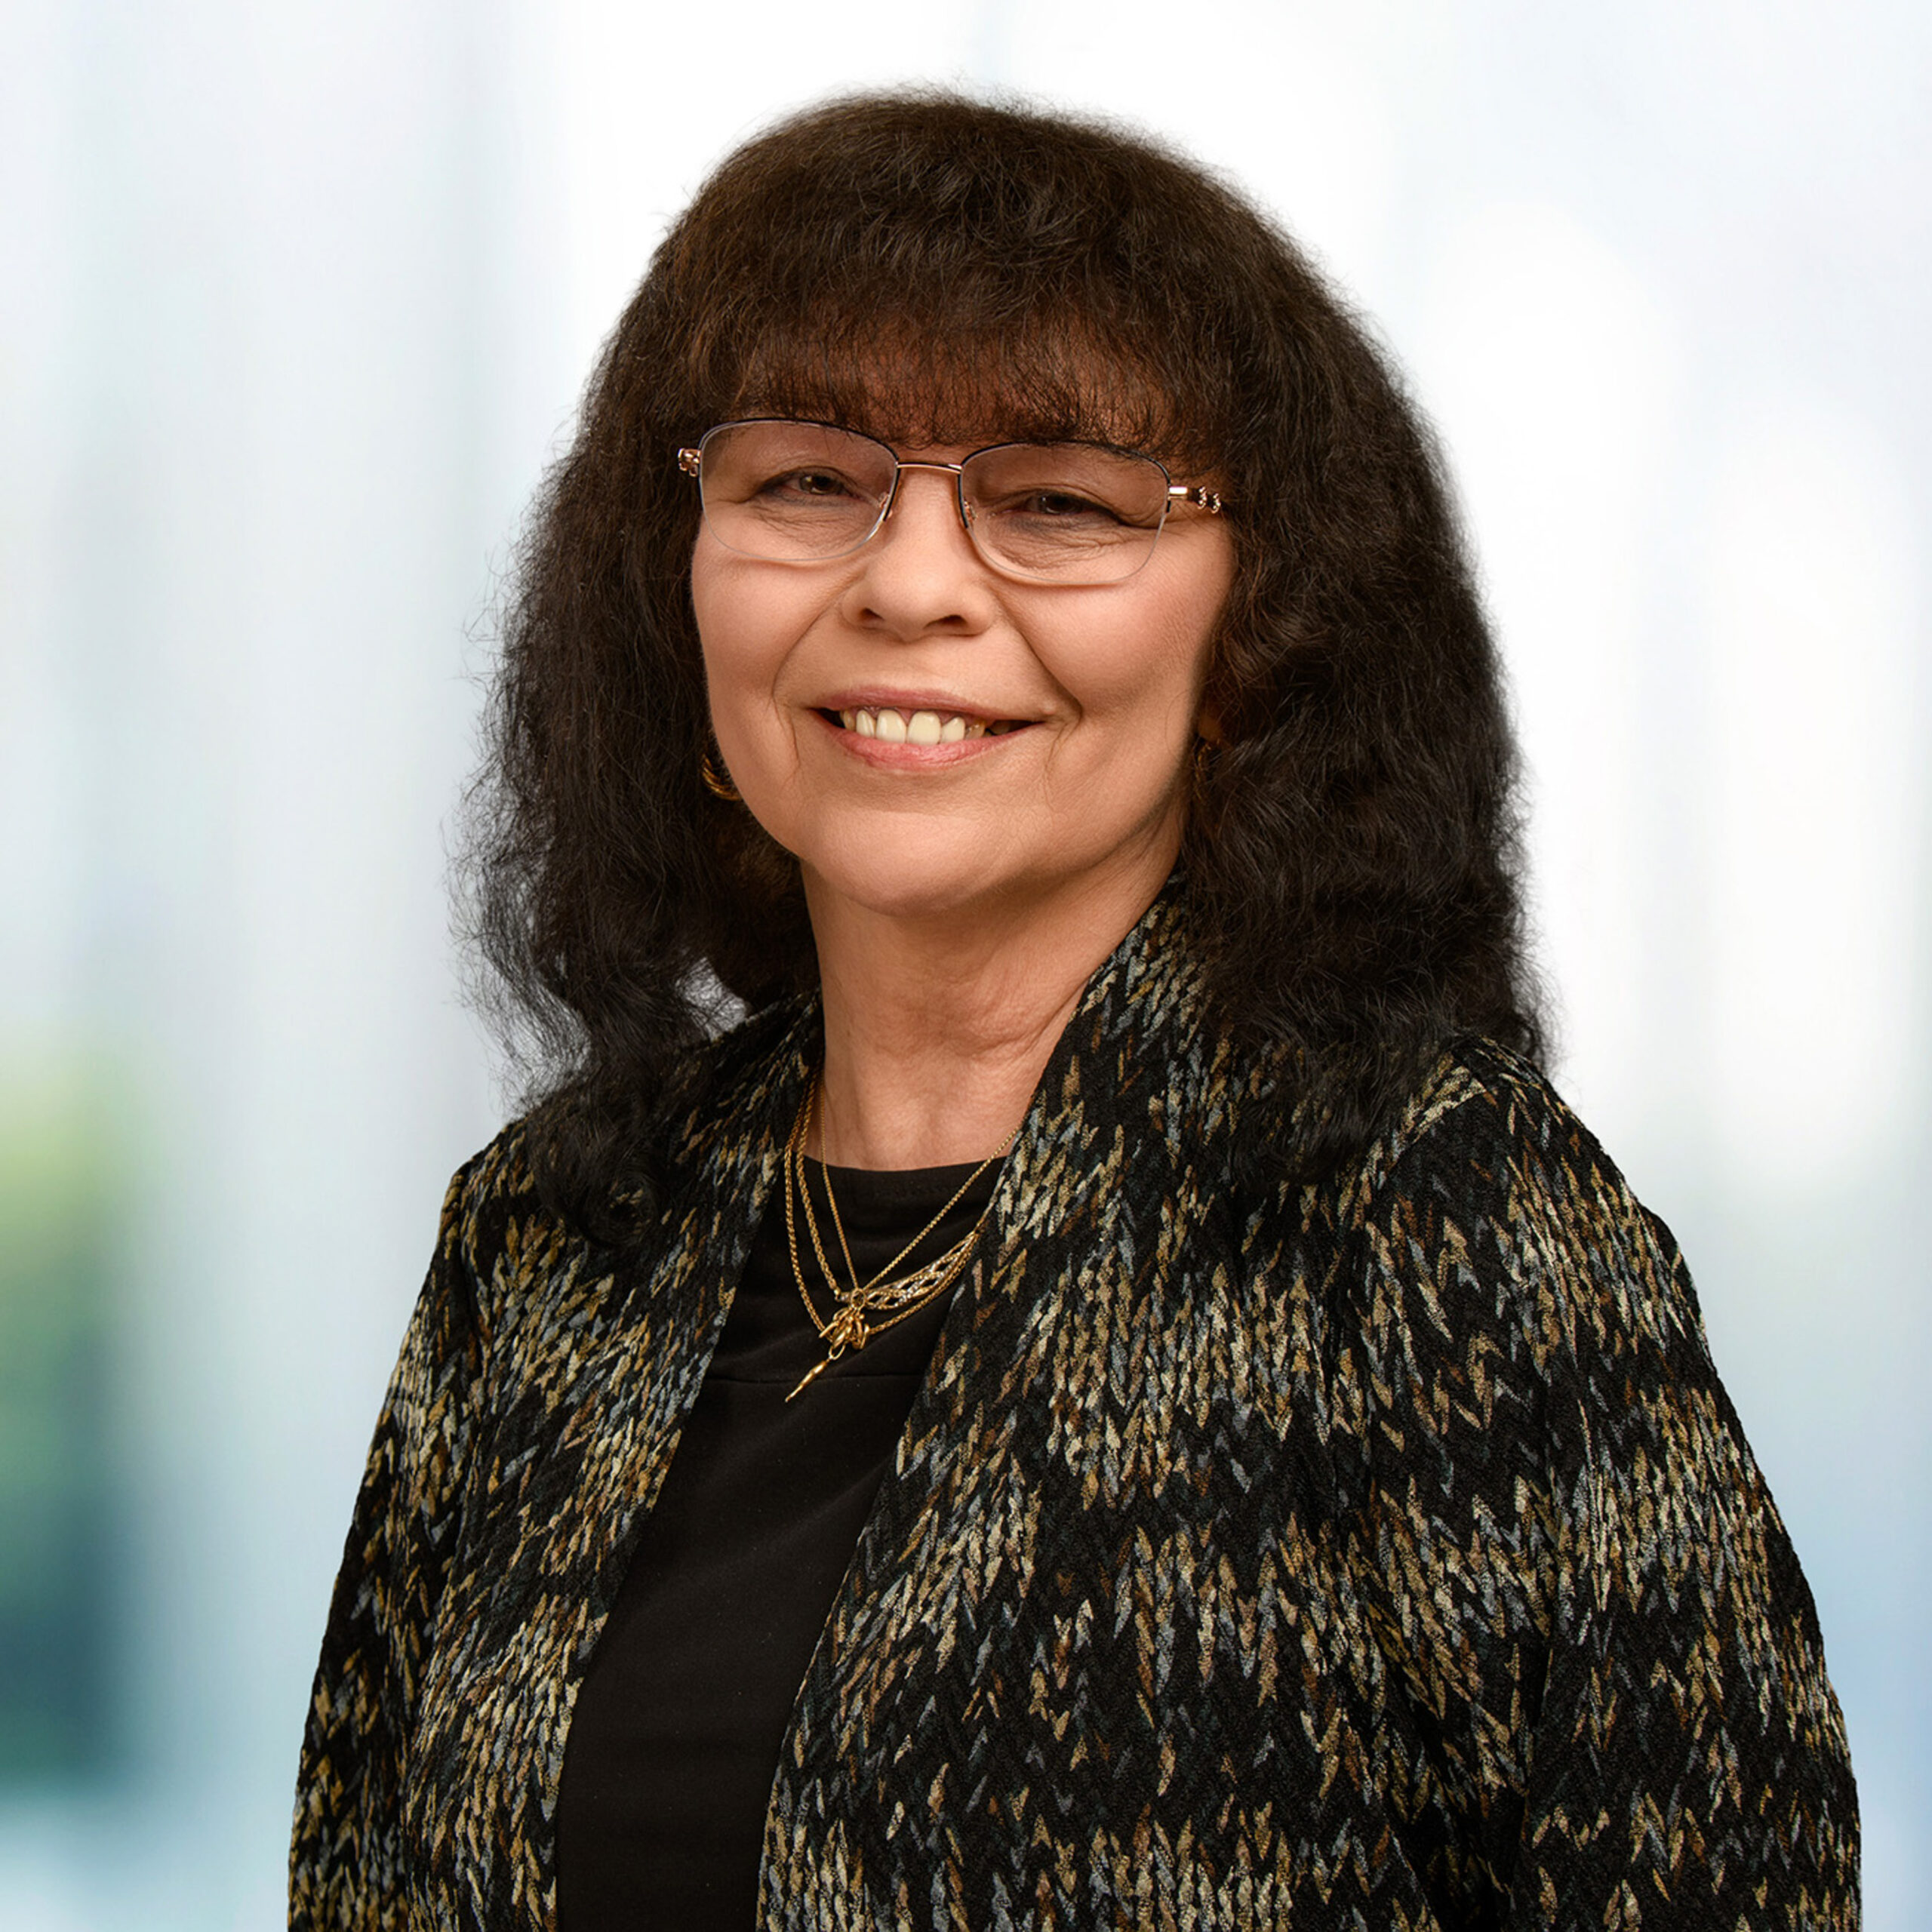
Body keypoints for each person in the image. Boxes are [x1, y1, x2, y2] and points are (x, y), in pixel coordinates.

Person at [288, 91, 1857, 1930]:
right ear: (669, 579)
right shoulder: (543, 1234)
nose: (911, 583)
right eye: (806, 479)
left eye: (1058, 502)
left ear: (1260, 637)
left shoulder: (1436, 1221)